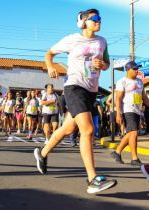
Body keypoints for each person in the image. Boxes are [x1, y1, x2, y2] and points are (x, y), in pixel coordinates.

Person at [33, 9, 117, 194]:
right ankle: (92, 178)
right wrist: (50, 66)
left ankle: (42, 153)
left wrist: (102, 65)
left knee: (68, 128)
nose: (98, 21)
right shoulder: (72, 39)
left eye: (100, 18)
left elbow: (107, 63)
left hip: (91, 91)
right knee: (87, 130)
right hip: (74, 88)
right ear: (83, 22)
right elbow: (49, 53)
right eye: (94, 18)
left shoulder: (102, 42)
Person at [110, 61, 149, 167]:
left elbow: (144, 97)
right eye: (134, 69)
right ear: (127, 70)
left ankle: (117, 152)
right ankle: (134, 158)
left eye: (137, 69)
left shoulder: (140, 82)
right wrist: (118, 113)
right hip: (127, 110)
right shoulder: (122, 81)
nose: (137, 71)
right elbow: (118, 99)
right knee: (134, 133)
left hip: (137, 110)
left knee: (131, 134)